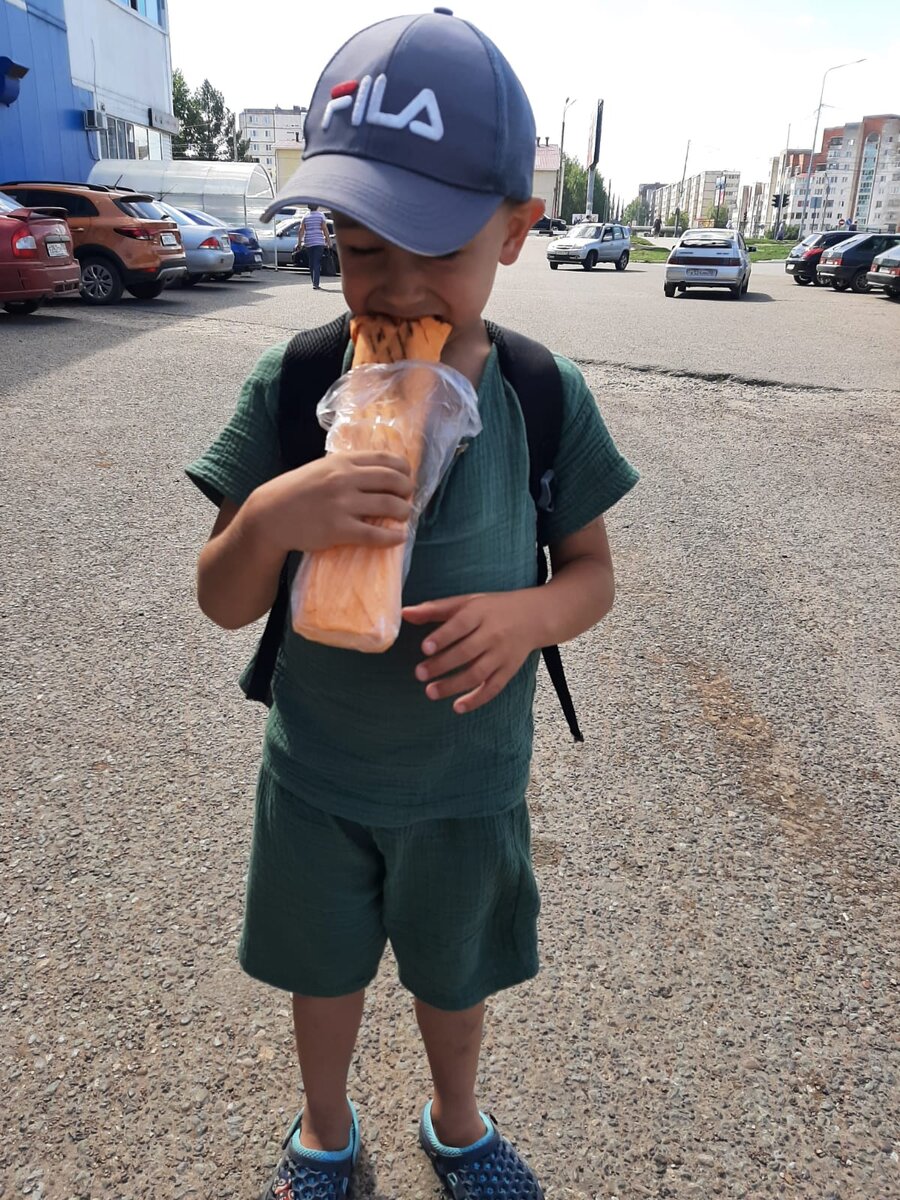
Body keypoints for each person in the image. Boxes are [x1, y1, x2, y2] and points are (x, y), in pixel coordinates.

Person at [187, 10, 638, 1200]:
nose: (390, 283)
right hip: (319, 774)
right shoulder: (296, 383)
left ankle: (457, 1120)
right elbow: (221, 596)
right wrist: (272, 518)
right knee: (321, 973)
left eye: (434, 246)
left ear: (516, 230)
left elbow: (592, 573)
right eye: (357, 244)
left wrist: (529, 618)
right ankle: (325, 1131)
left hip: (467, 783)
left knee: (455, 977)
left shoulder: (543, 394)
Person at [296, 203, 332, 289]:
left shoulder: (305, 216)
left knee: (311, 262)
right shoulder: (321, 215)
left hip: (309, 242)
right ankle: (316, 284)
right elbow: (324, 229)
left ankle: (314, 282)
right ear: (317, 206)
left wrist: (299, 243)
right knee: (317, 262)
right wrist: (328, 241)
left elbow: (301, 230)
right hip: (319, 242)